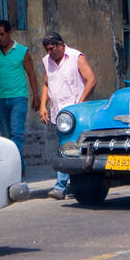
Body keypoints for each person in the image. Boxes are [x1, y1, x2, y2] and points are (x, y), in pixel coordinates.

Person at [39, 32, 97, 199]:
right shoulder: (47, 61)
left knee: (68, 147)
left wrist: (80, 103)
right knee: (68, 148)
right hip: (58, 113)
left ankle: (60, 186)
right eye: (47, 50)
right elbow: (46, 84)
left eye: (52, 49)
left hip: (76, 114)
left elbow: (91, 80)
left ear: (60, 45)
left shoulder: (75, 57)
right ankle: (72, 182)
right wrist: (43, 105)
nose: (50, 53)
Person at [0, 20, 39, 179]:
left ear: (9, 33)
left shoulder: (22, 51)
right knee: (6, 136)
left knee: (16, 133)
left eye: (2, 34)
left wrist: (36, 95)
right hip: (1, 98)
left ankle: (16, 169)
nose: (0, 38)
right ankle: (19, 166)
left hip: (19, 98)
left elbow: (31, 74)